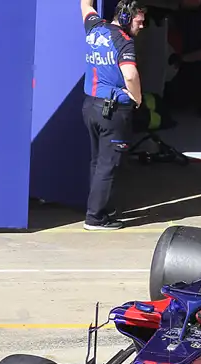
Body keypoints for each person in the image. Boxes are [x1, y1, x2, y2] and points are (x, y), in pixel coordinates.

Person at [80, 0, 147, 231]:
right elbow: (130, 75)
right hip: (113, 111)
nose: (142, 26)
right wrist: (138, 98)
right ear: (127, 18)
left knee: (98, 162)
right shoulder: (124, 41)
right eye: (140, 21)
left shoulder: (95, 27)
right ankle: (96, 217)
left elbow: (85, 5)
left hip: (91, 106)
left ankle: (101, 208)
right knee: (108, 166)